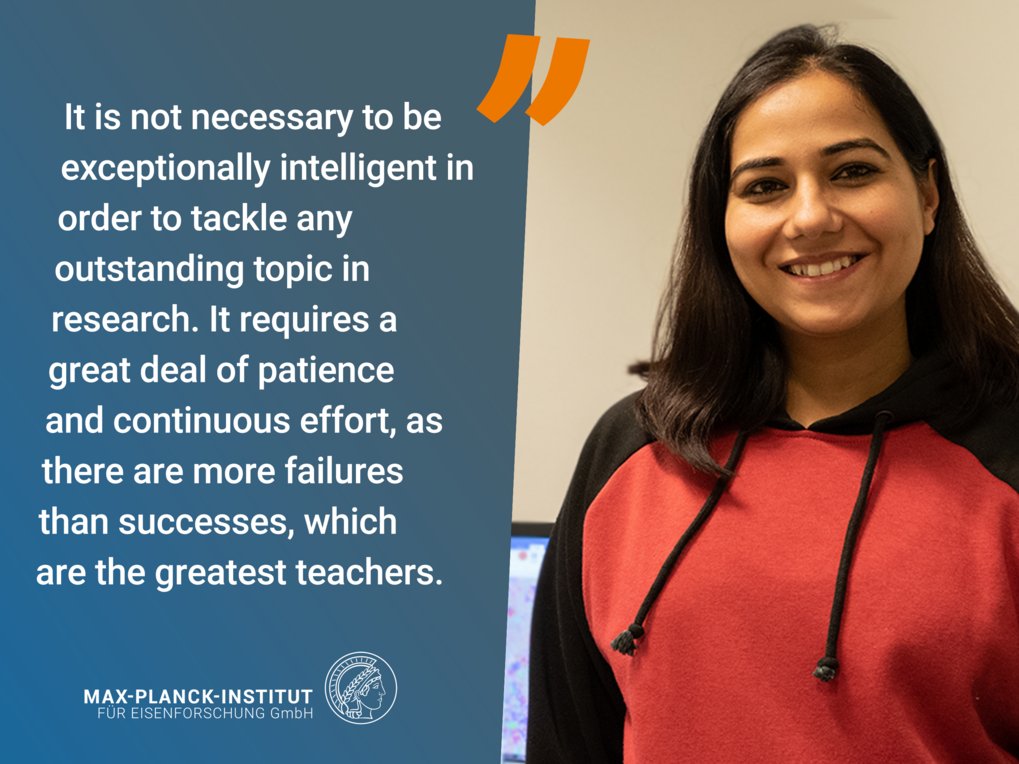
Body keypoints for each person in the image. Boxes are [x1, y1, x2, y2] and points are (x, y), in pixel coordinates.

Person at [526, 24, 1019, 763]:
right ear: (720, 222)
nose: (810, 217)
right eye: (764, 186)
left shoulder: (1005, 455)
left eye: (852, 171)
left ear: (926, 194)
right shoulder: (631, 452)